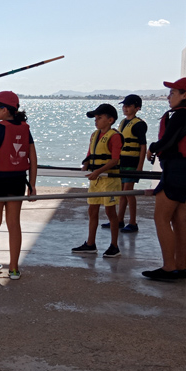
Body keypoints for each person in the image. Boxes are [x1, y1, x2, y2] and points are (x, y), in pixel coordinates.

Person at [143, 78, 186, 282]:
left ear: (185, 94)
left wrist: (152, 148)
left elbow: (169, 140)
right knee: (179, 220)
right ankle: (181, 267)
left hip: (176, 170)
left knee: (161, 218)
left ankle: (168, 267)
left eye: (173, 92)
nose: (168, 96)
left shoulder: (181, 114)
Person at [0, 91, 37, 279]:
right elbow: (33, 160)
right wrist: (33, 185)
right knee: (14, 224)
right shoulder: (25, 128)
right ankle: (13, 268)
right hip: (18, 181)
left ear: (5, 110)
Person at [72, 103, 123, 258]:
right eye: (95, 118)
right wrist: (85, 166)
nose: (96, 121)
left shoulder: (115, 136)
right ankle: (90, 243)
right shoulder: (94, 135)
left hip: (109, 180)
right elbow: (89, 155)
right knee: (92, 210)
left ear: (110, 120)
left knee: (110, 212)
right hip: (96, 180)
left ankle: (114, 245)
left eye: (99, 118)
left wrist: (98, 171)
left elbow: (114, 160)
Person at [113, 94, 148, 232]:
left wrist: (140, 165)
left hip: (132, 162)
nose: (125, 108)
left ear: (137, 108)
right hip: (122, 161)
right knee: (122, 192)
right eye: (124, 106)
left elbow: (143, 146)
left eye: (128, 106)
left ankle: (133, 222)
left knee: (128, 191)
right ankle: (119, 220)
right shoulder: (123, 122)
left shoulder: (139, 124)